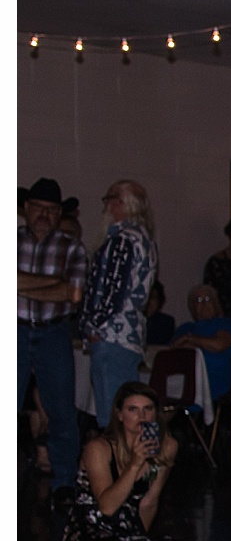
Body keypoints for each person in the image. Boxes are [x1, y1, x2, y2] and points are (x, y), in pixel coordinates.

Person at [60, 382, 197, 541]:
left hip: (126, 527)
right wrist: (134, 464)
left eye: (148, 409)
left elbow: (150, 500)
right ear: (120, 415)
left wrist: (139, 536)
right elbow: (106, 507)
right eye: (133, 409)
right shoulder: (98, 448)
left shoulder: (166, 446)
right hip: (93, 528)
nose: (141, 416)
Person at [18, 177, 89, 496]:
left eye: (51, 210)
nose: (44, 215)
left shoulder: (72, 247)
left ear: (59, 214)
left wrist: (18, 282)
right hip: (14, 330)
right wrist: (53, 284)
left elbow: (73, 294)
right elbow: (62, 288)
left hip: (54, 332)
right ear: (26, 208)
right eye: (38, 208)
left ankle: (64, 483)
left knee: (61, 410)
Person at [79, 180, 160, 427]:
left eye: (108, 200)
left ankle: (115, 453)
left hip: (112, 335)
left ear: (121, 203)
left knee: (113, 415)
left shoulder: (122, 240)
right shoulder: (145, 240)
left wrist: (93, 325)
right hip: (129, 335)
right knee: (129, 411)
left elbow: (113, 290)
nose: (105, 207)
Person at [168, 285, 231, 403]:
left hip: (213, 378)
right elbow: (174, 349)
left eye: (207, 299)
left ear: (216, 304)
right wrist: (202, 344)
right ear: (192, 308)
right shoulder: (186, 328)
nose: (203, 304)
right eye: (198, 300)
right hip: (183, 376)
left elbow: (219, 345)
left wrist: (191, 339)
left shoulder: (225, 324)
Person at [143, 281, 175, 346]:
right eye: (145, 297)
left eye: (152, 298)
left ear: (159, 301)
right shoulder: (133, 319)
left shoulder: (166, 322)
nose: (148, 301)